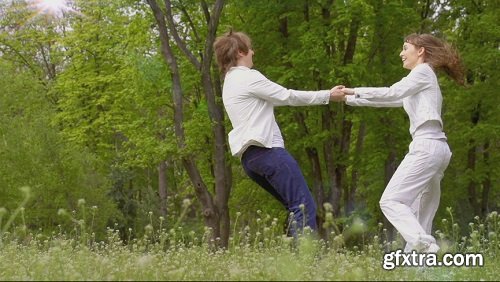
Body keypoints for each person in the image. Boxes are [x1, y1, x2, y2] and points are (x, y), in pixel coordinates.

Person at [213, 30, 345, 237]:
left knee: (295, 207)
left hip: (250, 160)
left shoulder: (228, 82)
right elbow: (287, 96)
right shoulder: (247, 77)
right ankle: (304, 264)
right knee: (303, 207)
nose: (253, 52)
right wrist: (328, 95)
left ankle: (292, 265)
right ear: (240, 52)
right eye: (250, 49)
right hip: (268, 152)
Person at [341, 33, 464, 253]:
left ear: (420, 51)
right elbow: (392, 99)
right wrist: (350, 99)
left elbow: (392, 91)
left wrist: (353, 89)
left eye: (405, 47)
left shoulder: (423, 72)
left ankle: (425, 246)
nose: (401, 53)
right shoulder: (422, 81)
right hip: (437, 149)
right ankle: (416, 270)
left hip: (426, 147)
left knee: (391, 201)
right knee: (420, 218)